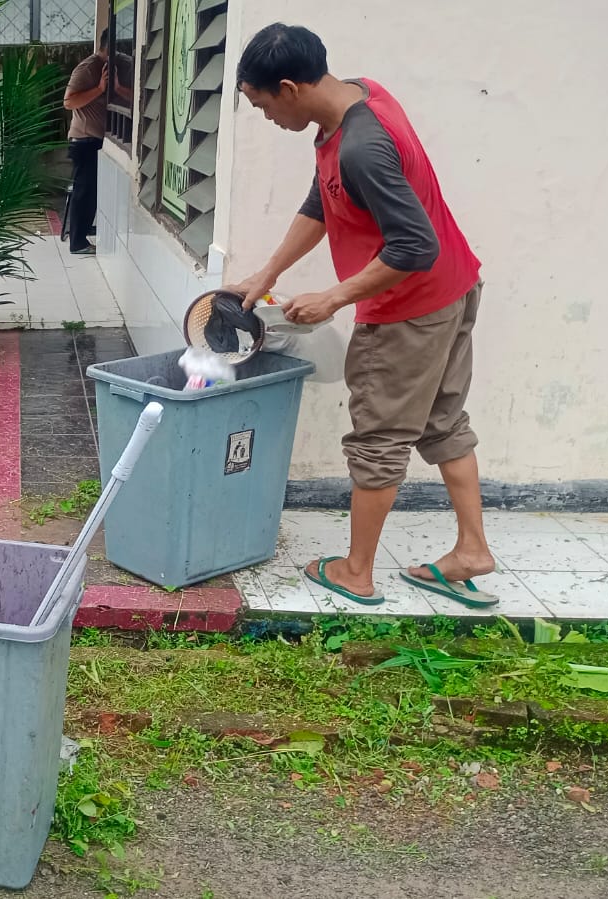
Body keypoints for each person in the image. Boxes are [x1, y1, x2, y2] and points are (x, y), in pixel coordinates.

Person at [227, 23, 495, 608]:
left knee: (378, 438)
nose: (265, 116)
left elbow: (412, 246)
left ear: (291, 88)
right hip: (454, 286)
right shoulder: (355, 100)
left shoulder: (361, 146)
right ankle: (472, 550)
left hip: (407, 311)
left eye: (262, 103)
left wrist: (335, 296)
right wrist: (267, 274)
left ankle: (356, 571)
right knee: (444, 421)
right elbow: (323, 197)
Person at [61, 28, 133, 256]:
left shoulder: (125, 64)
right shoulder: (87, 68)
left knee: (93, 191)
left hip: (104, 139)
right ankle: (78, 241)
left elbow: (139, 96)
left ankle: (85, 233)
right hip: (84, 140)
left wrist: (119, 88)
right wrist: (100, 89)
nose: (120, 54)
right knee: (85, 191)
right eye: (115, 49)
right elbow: (69, 102)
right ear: (105, 47)